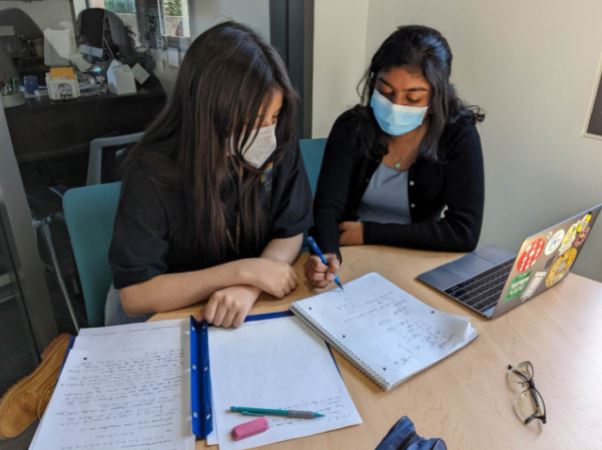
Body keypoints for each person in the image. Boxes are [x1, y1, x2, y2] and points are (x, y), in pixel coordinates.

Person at [107, 21, 312, 327]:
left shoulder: (278, 140)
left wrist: (249, 285)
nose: (268, 133)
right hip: (166, 310)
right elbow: (136, 296)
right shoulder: (152, 170)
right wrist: (241, 272)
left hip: (239, 306)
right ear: (208, 113)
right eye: (256, 120)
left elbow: (291, 230)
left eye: (275, 115)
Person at [306, 25, 485, 288]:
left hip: (416, 261)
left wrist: (368, 232)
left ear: (437, 97)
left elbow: (464, 233)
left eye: (412, 98)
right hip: (352, 257)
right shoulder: (351, 127)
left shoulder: (457, 135)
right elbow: (327, 208)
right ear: (373, 81)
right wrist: (328, 255)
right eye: (386, 92)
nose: (396, 105)